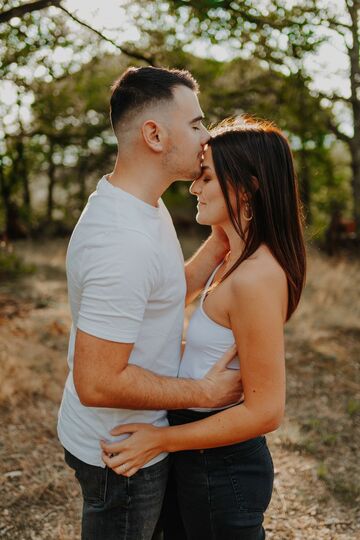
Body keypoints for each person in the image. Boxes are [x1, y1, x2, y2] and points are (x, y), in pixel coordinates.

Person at [57, 67, 242, 540]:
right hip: (122, 452)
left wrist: (222, 242)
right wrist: (204, 393)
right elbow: (97, 382)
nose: (207, 136)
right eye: (197, 123)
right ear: (155, 135)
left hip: (135, 435)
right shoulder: (121, 242)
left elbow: (158, 295)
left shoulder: (142, 204)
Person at [101, 116, 307, 540]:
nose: (194, 187)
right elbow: (168, 298)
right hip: (198, 455)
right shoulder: (234, 257)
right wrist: (221, 237)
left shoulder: (256, 278)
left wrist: (158, 441)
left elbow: (266, 411)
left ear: (247, 187)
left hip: (222, 468)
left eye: (206, 177)